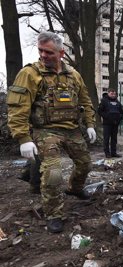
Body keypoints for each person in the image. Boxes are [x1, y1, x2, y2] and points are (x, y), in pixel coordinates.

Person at [7, 31, 96, 233]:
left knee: (85, 164)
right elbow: (17, 108)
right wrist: (23, 138)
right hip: (46, 131)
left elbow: (85, 101)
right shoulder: (29, 74)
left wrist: (89, 124)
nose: (43, 55)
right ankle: (54, 213)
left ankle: (74, 188)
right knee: (53, 172)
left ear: (61, 53)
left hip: (72, 130)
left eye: (48, 52)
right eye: (41, 51)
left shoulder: (73, 75)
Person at [97, 88, 123, 158]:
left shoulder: (117, 102)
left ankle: (114, 153)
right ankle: (107, 153)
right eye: (112, 93)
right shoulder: (104, 101)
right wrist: (106, 116)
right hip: (107, 124)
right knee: (106, 139)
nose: (113, 95)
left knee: (114, 139)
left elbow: (121, 112)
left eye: (114, 94)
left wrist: (119, 118)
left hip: (115, 124)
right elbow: (99, 111)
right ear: (108, 93)